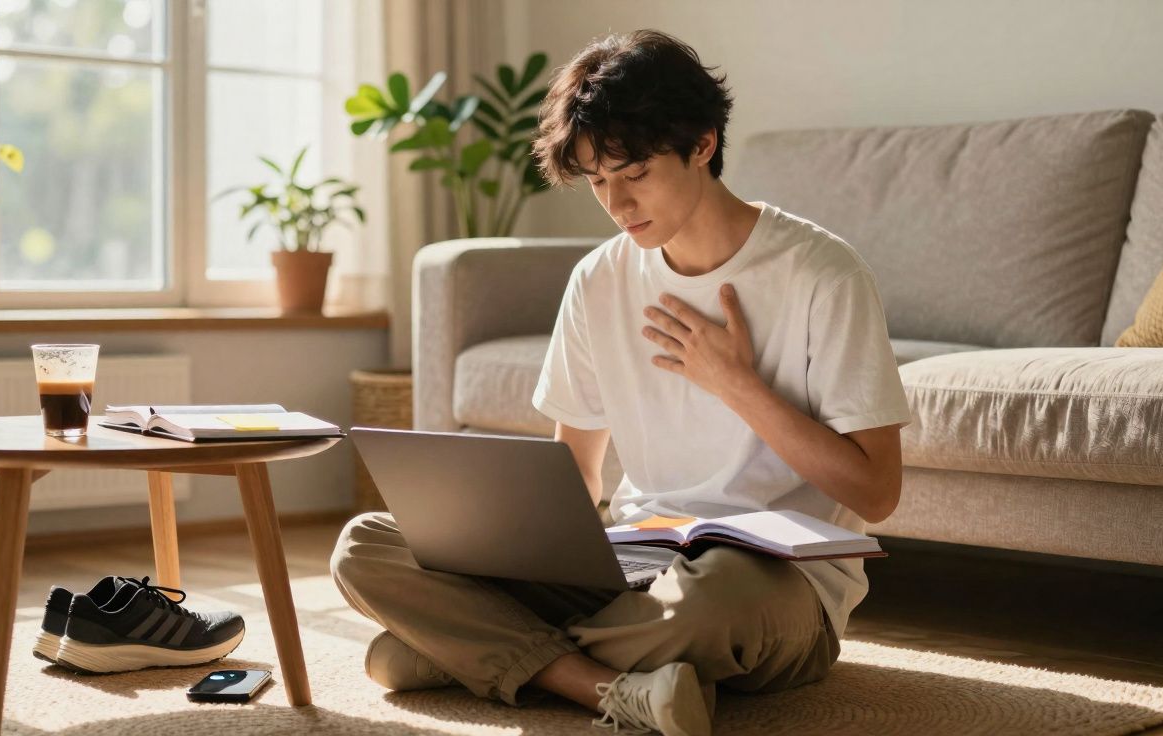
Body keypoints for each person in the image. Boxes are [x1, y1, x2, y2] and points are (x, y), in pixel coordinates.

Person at [331, 28, 912, 736]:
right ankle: (599, 684)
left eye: (633, 173)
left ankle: (478, 652)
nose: (616, 202)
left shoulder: (823, 273)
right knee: (367, 544)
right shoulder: (600, 279)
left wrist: (737, 385)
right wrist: (503, 544)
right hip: (634, 561)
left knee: (711, 600)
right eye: (598, 181)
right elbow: (577, 472)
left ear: (702, 144)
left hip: (770, 584)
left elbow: (876, 493)